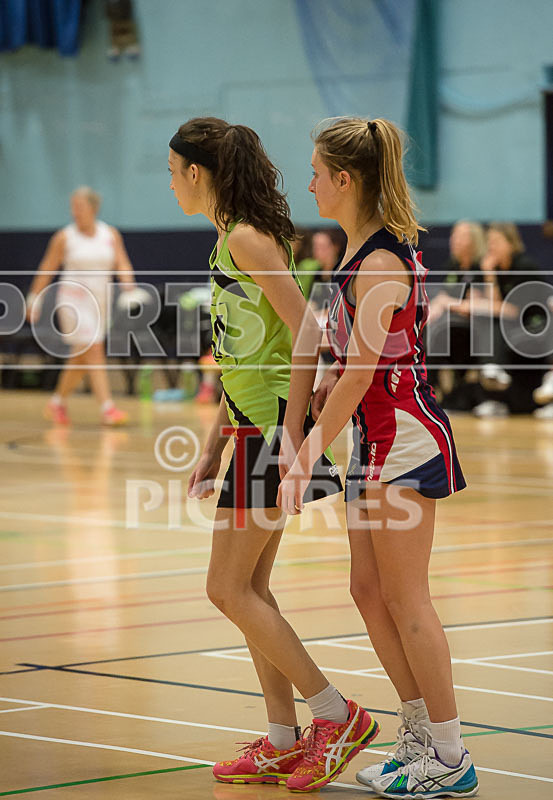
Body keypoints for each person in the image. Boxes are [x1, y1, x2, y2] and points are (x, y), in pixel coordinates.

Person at [170, 117, 378, 793]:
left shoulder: (245, 240)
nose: (170, 183)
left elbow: (308, 332)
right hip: (249, 433)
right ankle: (285, 740)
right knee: (250, 590)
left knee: (225, 588)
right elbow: (241, 359)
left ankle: (335, 716)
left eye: (172, 171)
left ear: (196, 173)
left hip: (270, 436)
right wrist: (213, 442)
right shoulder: (227, 242)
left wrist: (289, 439)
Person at [278, 117, 479, 799]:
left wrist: (305, 451)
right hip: (372, 439)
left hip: (404, 439)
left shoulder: (383, 261)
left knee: (404, 596)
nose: (306, 182)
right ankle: (417, 734)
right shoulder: (359, 253)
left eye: (314, 171)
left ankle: (450, 757)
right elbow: (360, 364)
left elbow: (367, 373)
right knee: (367, 592)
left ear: (345, 179)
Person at [26, 187, 135, 425]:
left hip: (100, 302)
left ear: (93, 208)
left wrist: (130, 288)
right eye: (73, 207)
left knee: (82, 356)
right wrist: (34, 299)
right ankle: (107, 408)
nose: (75, 212)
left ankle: (56, 403)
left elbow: (122, 262)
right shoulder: (64, 237)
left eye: (80, 206)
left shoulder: (110, 234)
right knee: (93, 348)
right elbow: (47, 267)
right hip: (72, 301)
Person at [466, 223, 546, 417]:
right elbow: (477, 303)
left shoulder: (525, 267)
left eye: (496, 242)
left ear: (511, 243)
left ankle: (494, 370)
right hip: (505, 328)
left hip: (534, 326)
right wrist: (490, 276)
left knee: (493, 320)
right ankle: (493, 392)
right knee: (486, 323)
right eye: (489, 242)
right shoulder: (486, 267)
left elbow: (512, 311)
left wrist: (487, 305)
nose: (491, 247)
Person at [425, 221, 486, 410]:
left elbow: (475, 305)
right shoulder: (452, 266)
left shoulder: (480, 267)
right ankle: (427, 389)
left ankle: (431, 389)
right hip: (451, 327)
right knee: (428, 328)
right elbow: (445, 297)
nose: (454, 240)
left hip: (476, 331)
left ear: (474, 241)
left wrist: (447, 303)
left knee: (438, 333)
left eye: (461, 236)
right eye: (453, 235)